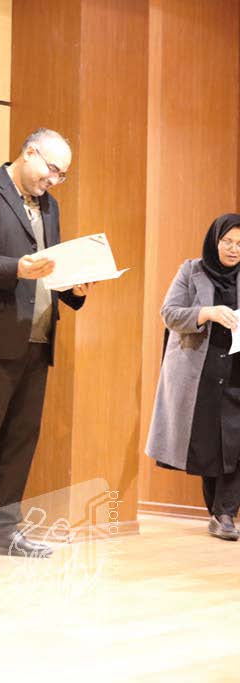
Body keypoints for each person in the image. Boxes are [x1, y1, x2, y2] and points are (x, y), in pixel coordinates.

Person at [0, 128, 89, 563]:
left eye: (62, 175)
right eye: (52, 169)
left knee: (21, 440)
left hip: (38, 337)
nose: (54, 180)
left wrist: (74, 288)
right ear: (29, 153)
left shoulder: (50, 205)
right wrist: (14, 269)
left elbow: (51, 267)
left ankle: (4, 529)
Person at [146, 213, 240, 541]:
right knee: (210, 444)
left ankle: (225, 513)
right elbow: (169, 313)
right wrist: (206, 313)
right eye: (228, 241)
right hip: (200, 372)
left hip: (236, 370)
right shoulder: (191, 270)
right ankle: (219, 513)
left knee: (237, 443)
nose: (234, 249)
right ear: (215, 241)